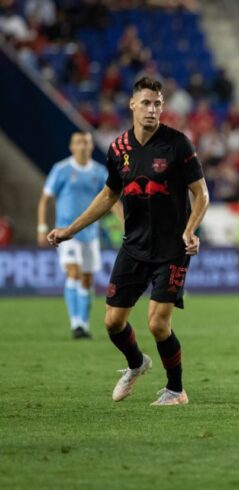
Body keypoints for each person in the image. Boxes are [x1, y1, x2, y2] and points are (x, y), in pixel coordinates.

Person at [48, 77, 210, 406]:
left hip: (173, 249)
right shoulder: (118, 148)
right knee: (112, 322)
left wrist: (190, 230)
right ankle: (137, 364)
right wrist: (70, 230)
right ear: (133, 105)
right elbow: (109, 195)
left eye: (158, 103)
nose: (153, 109)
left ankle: (176, 390)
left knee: (158, 323)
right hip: (134, 247)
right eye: (147, 103)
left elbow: (201, 194)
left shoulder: (178, 144)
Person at [37, 131, 115, 339]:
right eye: (78, 142)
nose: (82, 146)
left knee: (87, 279)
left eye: (86, 143)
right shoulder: (61, 169)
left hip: (90, 233)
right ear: (71, 146)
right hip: (65, 231)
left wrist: (125, 224)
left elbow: (112, 198)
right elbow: (46, 199)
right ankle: (76, 324)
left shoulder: (99, 172)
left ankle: (83, 323)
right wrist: (42, 228)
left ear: (91, 146)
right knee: (74, 271)